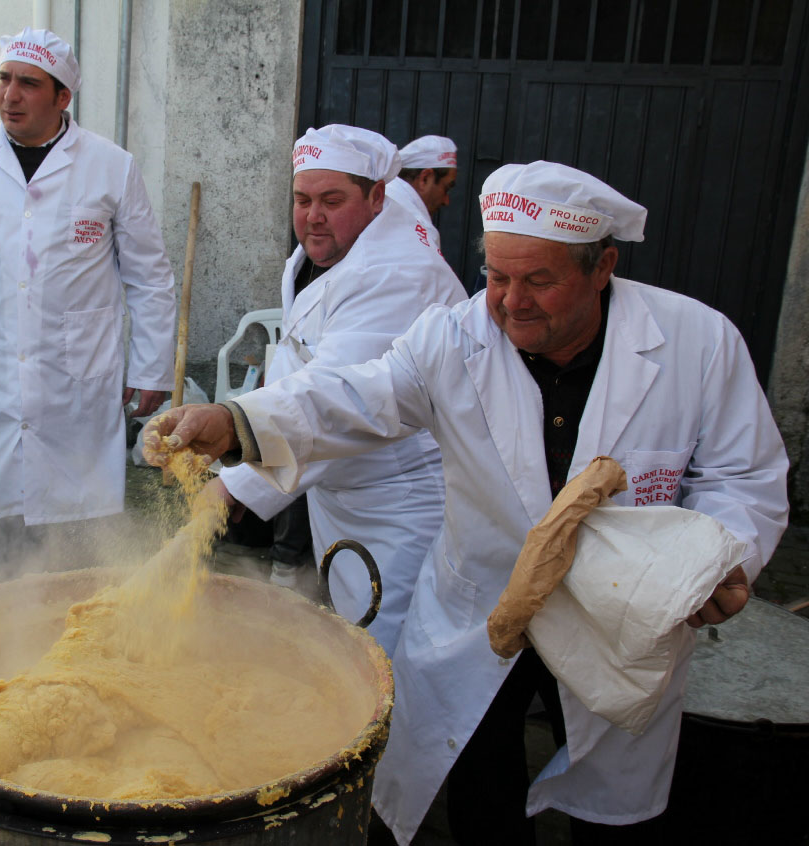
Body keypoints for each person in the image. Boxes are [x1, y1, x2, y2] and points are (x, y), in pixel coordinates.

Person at [143, 161, 789, 844]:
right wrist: (237, 421)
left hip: (624, 614)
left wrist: (722, 556)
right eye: (498, 277)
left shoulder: (698, 342)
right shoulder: (454, 335)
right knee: (481, 785)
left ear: (602, 267)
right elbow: (358, 396)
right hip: (484, 603)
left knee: (613, 812)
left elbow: (742, 476)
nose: (510, 302)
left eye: (538, 280)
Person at [211, 124, 467, 655]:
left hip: (397, 503)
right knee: (352, 630)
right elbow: (301, 362)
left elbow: (339, 398)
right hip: (340, 484)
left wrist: (237, 481)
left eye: (332, 200)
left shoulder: (397, 274)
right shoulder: (340, 244)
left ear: (377, 196)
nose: (313, 216)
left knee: (386, 654)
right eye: (302, 200)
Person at [0, 28, 176, 527]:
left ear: (63, 96)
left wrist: (150, 369)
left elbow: (149, 277)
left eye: (29, 83)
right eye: (5, 79)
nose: (11, 95)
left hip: (77, 382)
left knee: (79, 533)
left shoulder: (111, 167)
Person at [384, 134, 457, 249]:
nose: (446, 201)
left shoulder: (381, 199)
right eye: (446, 188)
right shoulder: (420, 229)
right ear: (425, 178)